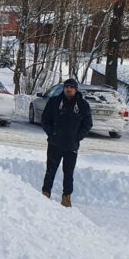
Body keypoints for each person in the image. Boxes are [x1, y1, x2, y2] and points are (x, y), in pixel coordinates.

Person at [41, 77, 93, 207]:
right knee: (50, 171)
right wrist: (51, 133)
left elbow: (87, 124)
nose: (69, 89)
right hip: (54, 144)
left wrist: (77, 137)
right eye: (67, 87)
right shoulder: (54, 102)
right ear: (64, 88)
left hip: (71, 146)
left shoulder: (82, 105)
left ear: (75, 89)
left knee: (68, 174)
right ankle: (45, 194)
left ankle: (66, 198)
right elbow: (45, 119)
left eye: (71, 87)